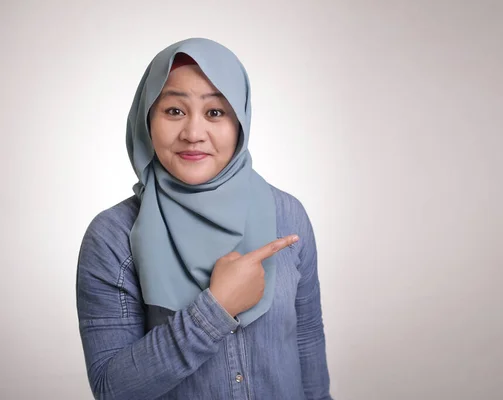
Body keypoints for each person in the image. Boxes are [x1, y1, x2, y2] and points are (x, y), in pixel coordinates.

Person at [75, 38, 332, 400]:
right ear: (147, 118)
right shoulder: (114, 236)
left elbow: (307, 346)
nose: (193, 134)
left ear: (240, 121)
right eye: (174, 111)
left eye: (215, 113)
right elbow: (111, 389)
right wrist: (215, 309)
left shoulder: (287, 215)